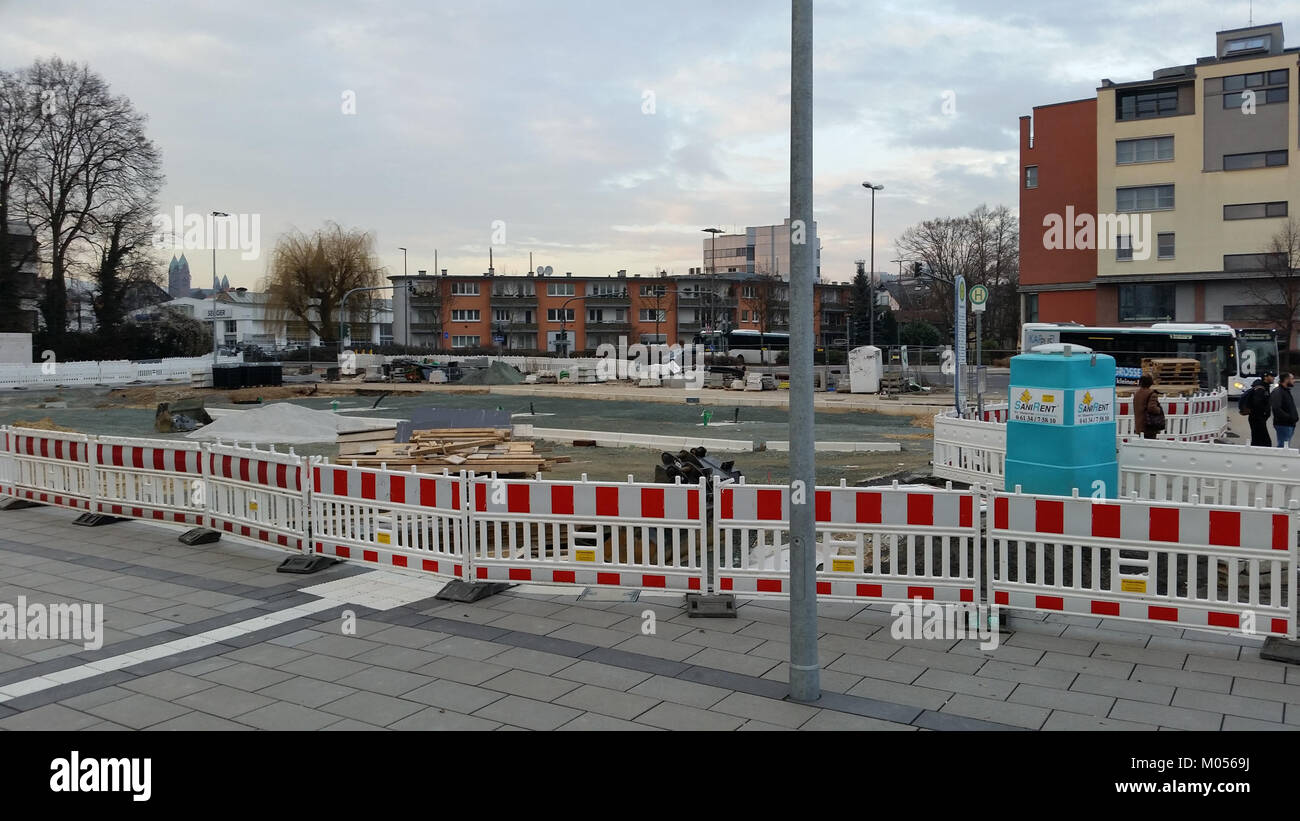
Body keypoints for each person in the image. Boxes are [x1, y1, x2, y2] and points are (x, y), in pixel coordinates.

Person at [1271, 372, 1298, 448]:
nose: (1294, 380)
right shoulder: (1278, 391)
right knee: (1283, 447)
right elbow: (1276, 408)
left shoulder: (1285, 391)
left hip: (1288, 424)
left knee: (1285, 446)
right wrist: (1289, 418)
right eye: (1292, 379)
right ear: (1286, 380)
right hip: (1283, 424)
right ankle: (1279, 460)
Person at [1247, 372, 1274, 446]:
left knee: (1257, 439)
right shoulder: (1260, 388)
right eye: (1271, 376)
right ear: (1265, 377)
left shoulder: (1265, 386)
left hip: (1259, 418)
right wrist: (1264, 413)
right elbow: (1257, 403)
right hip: (1257, 418)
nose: (1273, 377)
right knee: (1265, 442)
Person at [1133, 374, 1161, 439]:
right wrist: (1159, 409)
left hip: (1139, 426)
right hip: (1149, 426)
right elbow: (1152, 408)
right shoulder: (1152, 394)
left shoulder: (1136, 393)